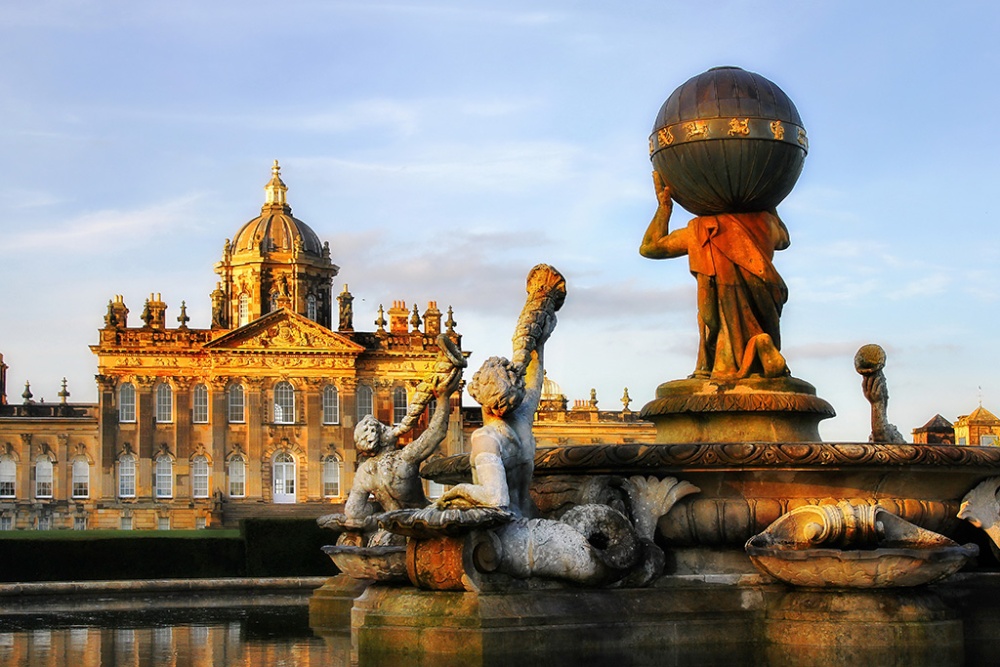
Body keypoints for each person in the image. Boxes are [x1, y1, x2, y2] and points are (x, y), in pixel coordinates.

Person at [437, 265, 565, 517]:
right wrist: (537, 336)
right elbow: (534, 373)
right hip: (530, 519)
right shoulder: (522, 422)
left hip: (506, 532)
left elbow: (496, 499)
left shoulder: (486, 438)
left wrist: (457, 491)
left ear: (477, 394)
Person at [640, 172, 790, 379]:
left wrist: (664, 208)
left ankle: (733, 359)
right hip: (766, 294)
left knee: (720, 349)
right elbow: (784, 240)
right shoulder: (767, 223)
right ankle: (759, 346)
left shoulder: (702, 229)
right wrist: (770, 201)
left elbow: (650, 247)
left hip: (722, 301)